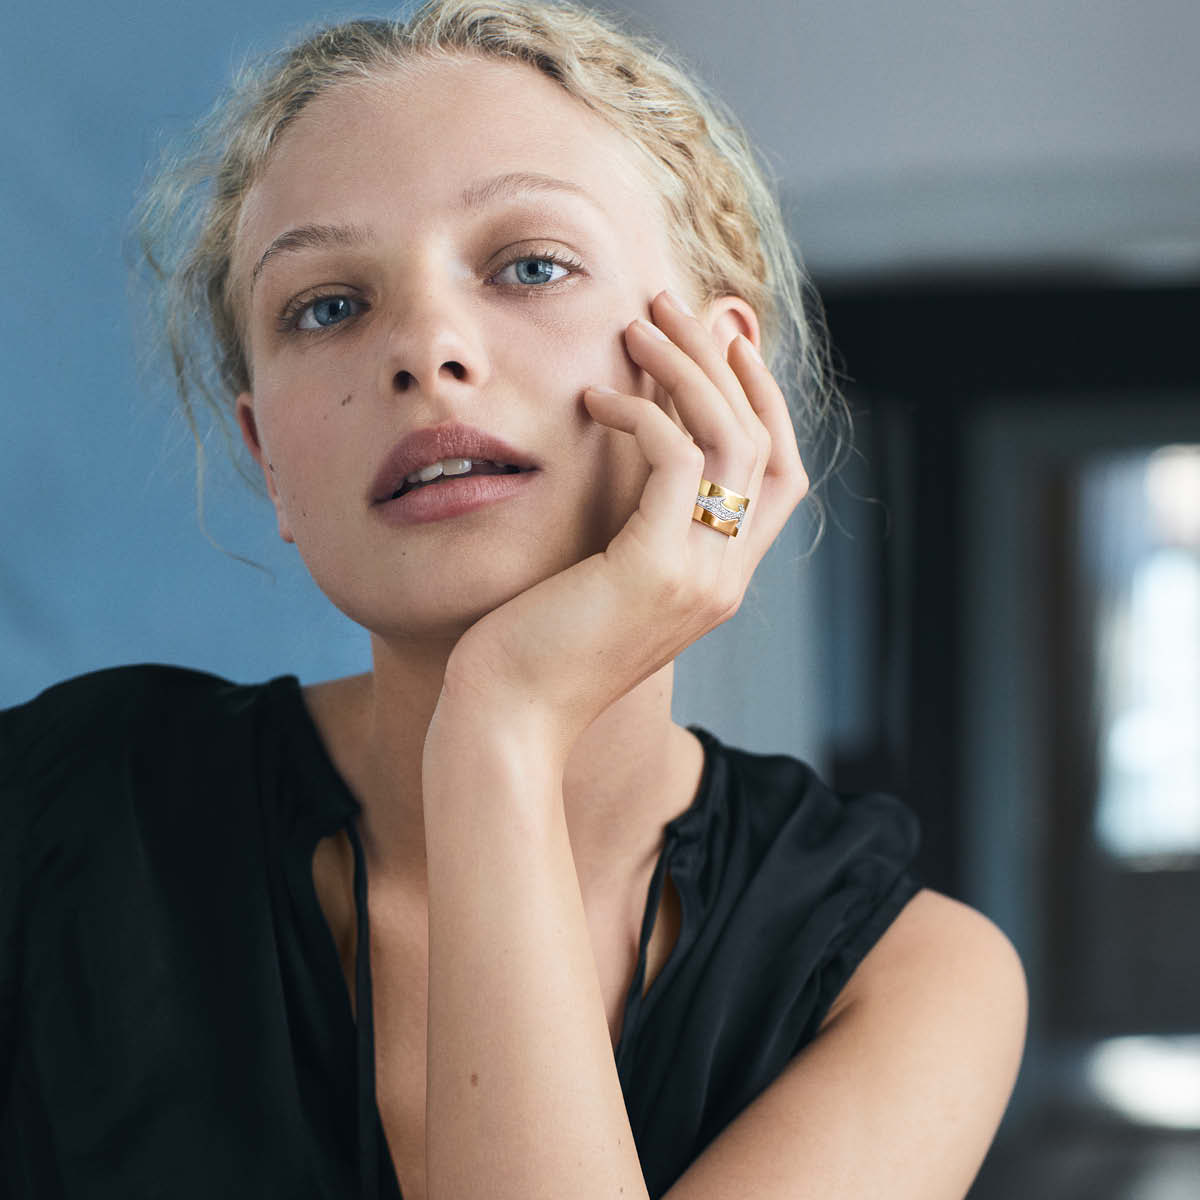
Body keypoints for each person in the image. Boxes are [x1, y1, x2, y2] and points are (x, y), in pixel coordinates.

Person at [0, 2, 1027, 1197]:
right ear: (269, 460)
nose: (426, 347)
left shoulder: (904, 979)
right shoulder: (52, 821)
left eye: (530, 265)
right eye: (327, 305)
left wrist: (499, 727)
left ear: (722, 376)